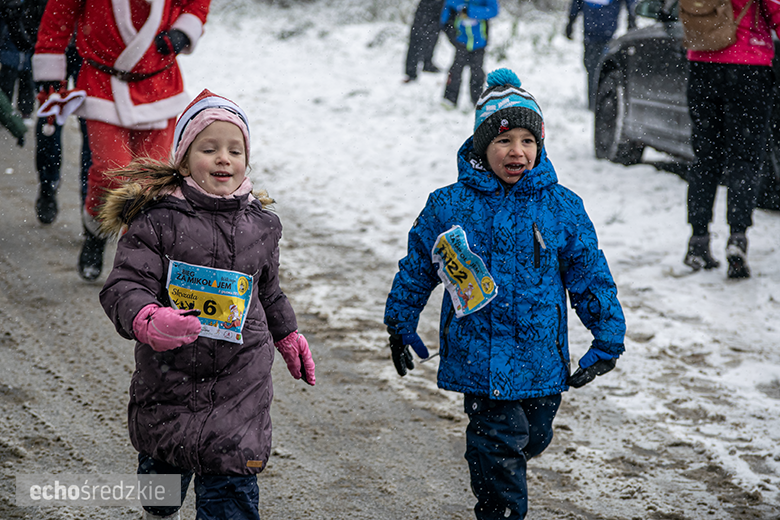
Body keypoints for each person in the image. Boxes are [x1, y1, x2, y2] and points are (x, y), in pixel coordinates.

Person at [384, 68, 626, 520]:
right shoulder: (449, 205)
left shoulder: (561, 207)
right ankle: (498, 506)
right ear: (481, 147)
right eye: (503, 141)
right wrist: (400, 319)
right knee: (498, 448)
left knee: (532, 437)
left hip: (541, 358)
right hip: (482, 358)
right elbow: (418, 267)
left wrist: (607, 336)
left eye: (527, 141)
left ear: (540, 146)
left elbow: (589, 273)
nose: (518, 151)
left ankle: (497, 470)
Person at [98, 90, 316, 520]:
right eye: (209, 148)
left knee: (231, 492)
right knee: (161, 489)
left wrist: (287, 335)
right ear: (183, 159)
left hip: (241, 383)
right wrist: (147, 318)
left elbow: (268, 291)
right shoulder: (157, 218)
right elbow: (124, 284)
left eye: (235, 150)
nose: (223, 159)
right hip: (169, 380)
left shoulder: (262, 225)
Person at [32, 0, 210, 281]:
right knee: (111, 171)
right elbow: (59, 13)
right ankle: (97, 231)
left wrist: (184, 30)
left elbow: (197, 3)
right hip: (103, 83)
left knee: (153, 181)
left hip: (159, 84)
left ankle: (138, 256)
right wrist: (50, 68)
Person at [681, 0, 780, 279]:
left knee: (705, 158)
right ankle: (737, 239)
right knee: (745, 158)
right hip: (749, 66)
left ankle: (697, 241)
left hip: (702, 64)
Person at [566, 0, 636, 111]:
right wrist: (571, 20)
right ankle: (596, 102)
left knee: (600, 68)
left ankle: (599, 102)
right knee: (593, 66)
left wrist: (632, 18)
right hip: (595, 31)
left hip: (605, 32)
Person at [440, 0, 498, 108]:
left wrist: (471, 11)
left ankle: (477, 100)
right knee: (456, 69)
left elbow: (493, 10)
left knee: (477, 71)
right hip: (461, 39)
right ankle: (449, 99)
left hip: (479, 41)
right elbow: (448, 5)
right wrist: (444, 23)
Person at [403, 0, 444, 83]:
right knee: (417, 37)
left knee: (433, 36)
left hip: (442, 5)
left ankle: (427, 63)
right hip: (427, 6)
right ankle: (411, 72)